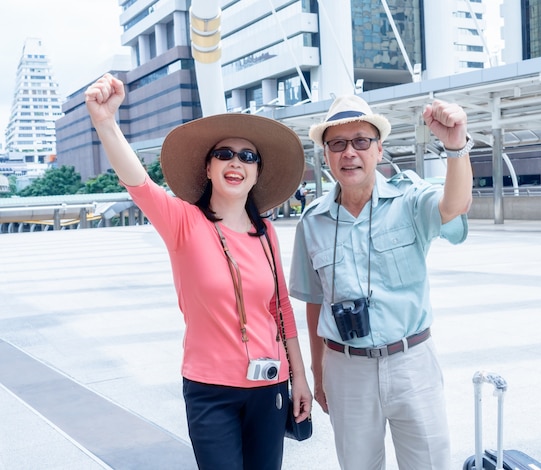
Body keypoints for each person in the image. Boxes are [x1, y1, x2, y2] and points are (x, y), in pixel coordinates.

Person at [85, 73, 312, 470]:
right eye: (224, 154)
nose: (235, 162)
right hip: (211, 391)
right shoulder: (184, 222)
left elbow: (280, 309)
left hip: (270, 386)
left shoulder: (267, 233)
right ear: (208, 168)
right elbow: (138, 183)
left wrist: (300, 378)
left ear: (257, 173)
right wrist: (106, 122)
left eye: (248, 156)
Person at [289, 94, 473, 470]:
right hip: (346, 367)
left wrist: (456, 148)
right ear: (326, 155)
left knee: (430, 464)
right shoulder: (313, 221)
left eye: (360, 141)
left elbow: (453, 206)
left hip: (411, 362)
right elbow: (315, 300)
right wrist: (318, 371)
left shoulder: (409, 199)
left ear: (378, 149)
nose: (349, 152)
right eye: (337, 144)